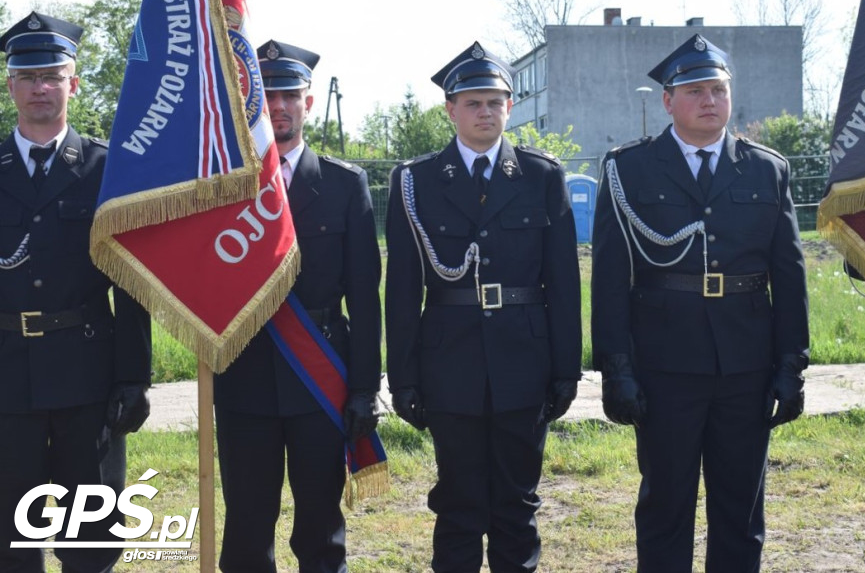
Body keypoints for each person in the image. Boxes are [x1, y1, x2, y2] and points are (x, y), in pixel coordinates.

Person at [591, 33, 809, 572]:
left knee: (740, 511)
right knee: (665, 506)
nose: (710, 100)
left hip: (746, 364)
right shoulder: (628, 170)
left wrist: (791, 367)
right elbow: (611, 279)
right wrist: (616, 369)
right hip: (665, 366)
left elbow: (790, 274)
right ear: (668, 101)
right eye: (694, 91)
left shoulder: (766, 169)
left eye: (719, 89)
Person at [385, 41, 582, 573]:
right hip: (449, 363)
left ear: (510, 108)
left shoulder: (542, 177)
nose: (485, 112)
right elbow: (402, 291)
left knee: (518, 506)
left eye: (495, 102)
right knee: (458, 505)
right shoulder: (414, 182)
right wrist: (402, 378)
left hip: (525, 361)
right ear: (450, 110)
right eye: (473, 103)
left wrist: (568, 370)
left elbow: (564, 283)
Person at [213, 39, 382, 573]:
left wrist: (363, 388)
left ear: (309, 103)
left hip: (320, 380)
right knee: (246, 526)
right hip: (243, 376)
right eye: (266, 94)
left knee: (319, 526)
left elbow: (364, 296)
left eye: (290, 94)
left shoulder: (343, 184)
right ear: (248, 102)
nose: (278, 105)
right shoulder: (218, 185)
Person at [0, 11, 152, 572]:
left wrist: (134, 377)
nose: (41, 87)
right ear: (11, 84)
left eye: (53, 75)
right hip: (6, 377)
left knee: (89, 538)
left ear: (74, 82)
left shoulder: (106, 171)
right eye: (28, 75)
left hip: (87, 375)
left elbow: (133, 285)